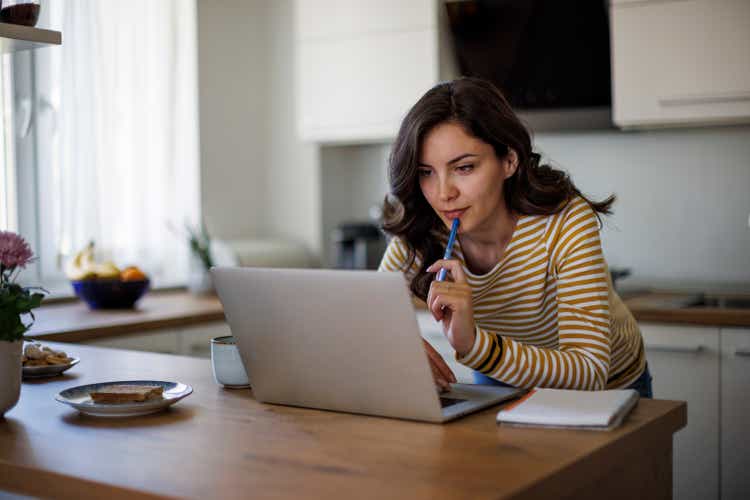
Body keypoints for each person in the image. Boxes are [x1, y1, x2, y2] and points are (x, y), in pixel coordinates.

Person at [378, 77, 652, 398]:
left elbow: (589, 369)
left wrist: (474, 345)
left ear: (509, 160)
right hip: (501, 376)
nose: (443, 194)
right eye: (426, 172)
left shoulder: (564, 221)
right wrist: (396, 344)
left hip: (608, 388)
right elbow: (369, 318)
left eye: (464, 168)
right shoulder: (422, 228)